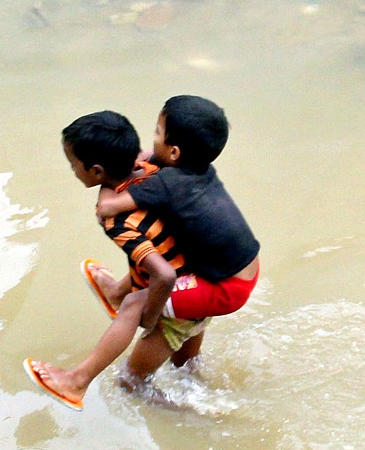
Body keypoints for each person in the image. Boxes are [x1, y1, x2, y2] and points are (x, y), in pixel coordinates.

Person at [23, 110, 208, 411]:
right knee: (186, 367)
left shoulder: (116, 218)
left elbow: (162, 275)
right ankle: (118, 292)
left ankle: (77, 383)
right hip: (204, 283)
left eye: (73, 165)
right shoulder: (153, 167)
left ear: (96, 172)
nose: (72, 171)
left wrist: (147, 316)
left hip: (181, 300)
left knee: (131, 383)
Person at [94, 94, 261, 320]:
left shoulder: (167, 183)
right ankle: (117, 292)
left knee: (136, 303)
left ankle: (128, 319)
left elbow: (109, 207)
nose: (152, 139)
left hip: (224, 289)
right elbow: (147, 156)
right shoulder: (199, 168)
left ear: (174, 152)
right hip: (244, 270)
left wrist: (106, 182)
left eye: (157, 132)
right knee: (165, 241)